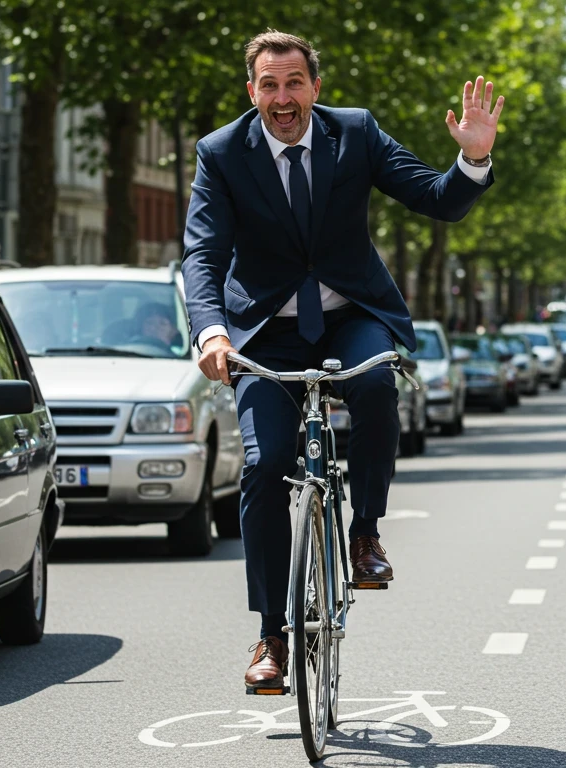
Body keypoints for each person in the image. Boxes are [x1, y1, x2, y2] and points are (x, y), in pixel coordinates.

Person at [181, 30, 502, 693]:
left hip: (350, 314)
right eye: (268, 85)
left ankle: (365, 535)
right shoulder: (219, 153)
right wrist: (212, 331)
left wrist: (472, 159)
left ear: (315, 88)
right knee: (265, 464)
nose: (282, 97)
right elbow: (203, 254)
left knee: (378, 381)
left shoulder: (354, 135)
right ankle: (271, 634)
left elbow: (435, 199)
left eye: (294, 83)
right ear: (252, 92)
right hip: (265, 328)